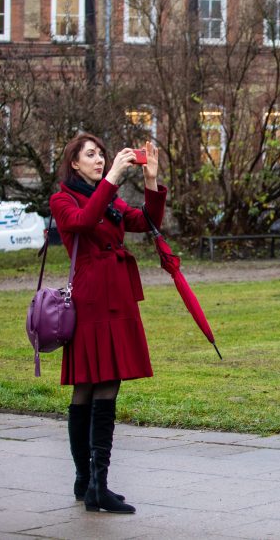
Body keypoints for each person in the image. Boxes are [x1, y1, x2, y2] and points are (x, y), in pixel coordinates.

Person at [50, 133, 166, 514]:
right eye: (91, 154)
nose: (99, 159)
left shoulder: (109, 195)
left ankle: (93, 483)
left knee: (105, 383)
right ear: (74, 163)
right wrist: (114, 177)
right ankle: (88, 480)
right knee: (87, 387)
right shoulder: (62, 199)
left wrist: (150, 181)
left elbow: (146, 222)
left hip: (116, 295)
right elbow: (82, 222)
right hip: (91, 299)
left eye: (101, 154)